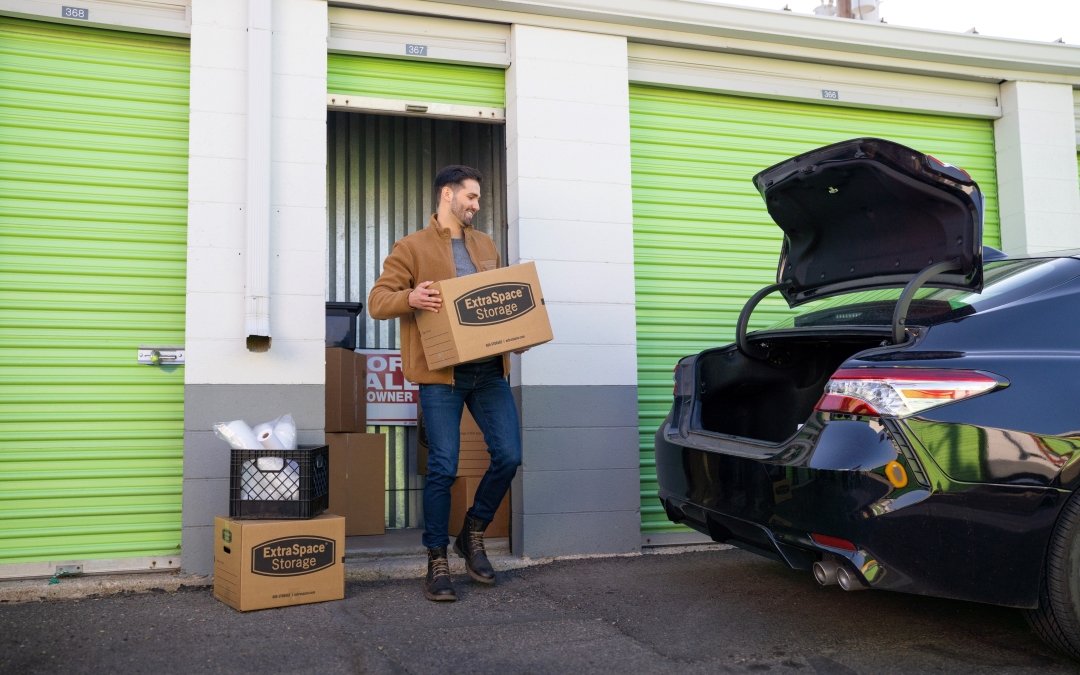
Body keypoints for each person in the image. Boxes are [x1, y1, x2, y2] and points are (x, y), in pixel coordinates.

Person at [368, 165, 523, 602]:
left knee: (509, 455)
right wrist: (410, 298)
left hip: (489, 371)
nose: (476, 205)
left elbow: (500, 302)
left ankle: (471, 532)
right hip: (441, 375)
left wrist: (519, 334)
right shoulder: (411, 247)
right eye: (471, 197)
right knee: (443, 467)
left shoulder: (486, 244)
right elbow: (379, 301)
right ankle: (437, 558)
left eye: (478, 199)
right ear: (447, 195)